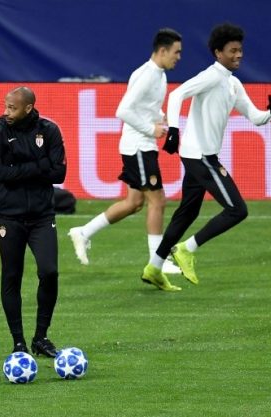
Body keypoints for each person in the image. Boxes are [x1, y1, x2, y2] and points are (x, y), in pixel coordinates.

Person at [142, 23, 271, 286]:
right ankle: (186, 249)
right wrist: (173, 129)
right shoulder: (212, 76)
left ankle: (154, 267)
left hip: (200, 155)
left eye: (240, 50)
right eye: (232, 51)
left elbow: (255, 117)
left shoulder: (233, 84)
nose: (238, 55)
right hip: (202, 157)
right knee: (237, 209)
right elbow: (177, 94)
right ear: (218, 53)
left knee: (187, 213)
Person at [68, 29, 183, 290]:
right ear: (162, 51)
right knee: (158, 201)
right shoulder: (147, 75)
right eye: (176, 52)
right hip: (139, 147)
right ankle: (158, 260)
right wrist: (150, 129)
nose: (179, 57)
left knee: (134, 203)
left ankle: (83, 232)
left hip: (140, 146)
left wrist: (160, 116)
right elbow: (123, 110)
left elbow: (145, 106)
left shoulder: (157, 75)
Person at [0, 86, 67, 357]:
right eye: (6, 106)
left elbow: (59, 173)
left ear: (28, 108)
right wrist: (38, 166)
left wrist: (19, 169)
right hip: (8, 216)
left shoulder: (49, 130)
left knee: (49, 272)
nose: (6, 112)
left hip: (42, 216)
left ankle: (41, 337)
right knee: (12, 276)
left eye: (12, 108)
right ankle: (18, 342)